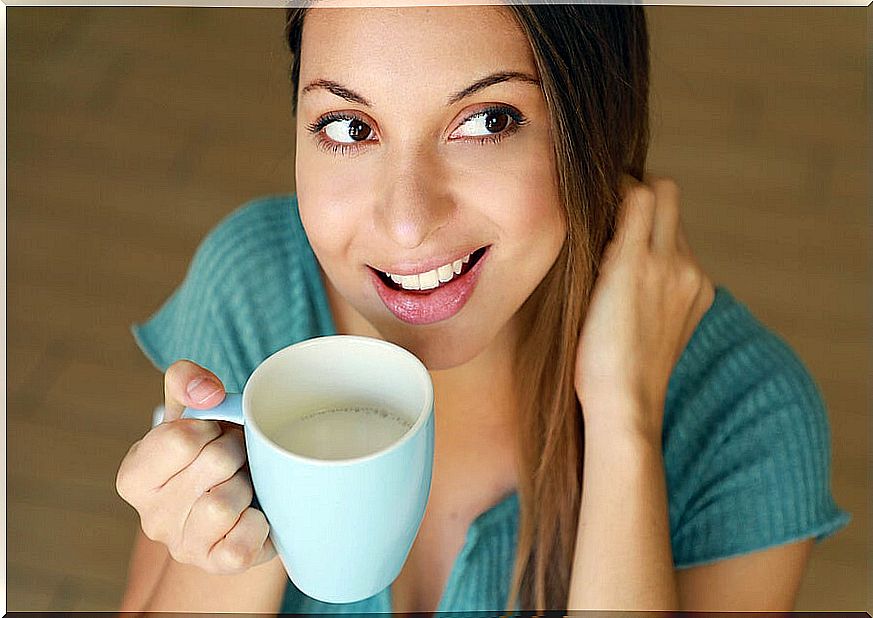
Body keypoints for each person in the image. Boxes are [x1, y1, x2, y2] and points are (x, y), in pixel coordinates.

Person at [115, 4, 850, 614]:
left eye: (490, 120)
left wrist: (624, 421)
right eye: (348, 126)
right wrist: (239, 522)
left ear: (591, 123)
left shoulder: (745, 413)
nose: (406, 225)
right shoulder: (256, 283)